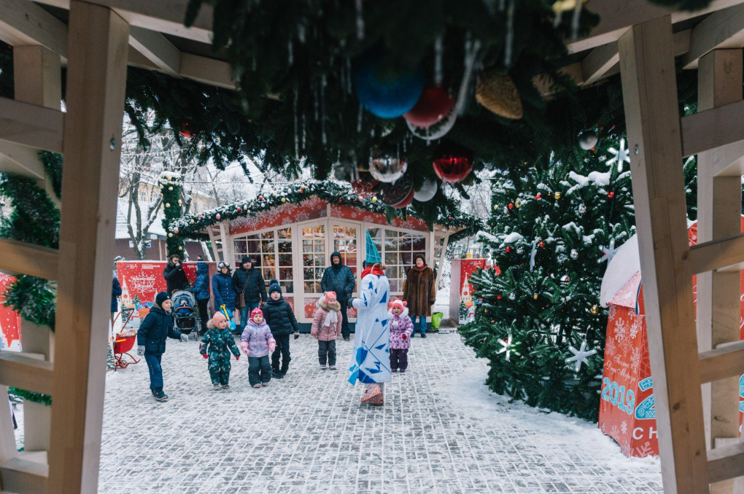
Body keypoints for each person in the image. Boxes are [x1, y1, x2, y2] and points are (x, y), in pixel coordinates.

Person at [348, 232, 390, 406]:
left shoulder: (368, 279)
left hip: (370, 322)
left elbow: (365, 302)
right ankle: (379, 394)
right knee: (379, 354)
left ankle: (372, 390)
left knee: (367, 353)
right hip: (382, 321)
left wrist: (351, 301)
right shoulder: (384, 278)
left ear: (367, 264)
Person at [137, 292, 188, 402]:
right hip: (149, 349)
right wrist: (141, 345)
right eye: (166, 303)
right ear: (160, 303)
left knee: (155, 369)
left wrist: (180, 335)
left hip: (159, 349)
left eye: (170, 303)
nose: (169, 305)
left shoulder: (167, 316)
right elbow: (142, 331)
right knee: (156, 369)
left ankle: (154, 388)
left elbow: (169, 332)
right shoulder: (152, 316)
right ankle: (158, 391)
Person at [263, 279, 300, 379]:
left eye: (277, 292)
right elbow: (265, 322)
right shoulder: (267, 307)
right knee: (276, 353)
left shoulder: (286, 305)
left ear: (280, 294)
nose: (275, 294)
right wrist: (265, 335)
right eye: (273, 293)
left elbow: (292, 317)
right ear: (270, 294)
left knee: (286, 353)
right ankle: (275, 370)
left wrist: (296, 330)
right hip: (274, 334)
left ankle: (284, 368)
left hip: (285, 333)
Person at [199, 311, 240, 389]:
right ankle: (216, 382)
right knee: (214, 367)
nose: (224, 323)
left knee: (226, 367)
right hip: (214, 352)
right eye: (221, 322)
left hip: (224, 352)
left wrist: (236, 353)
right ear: (215, 323)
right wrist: (203, 351)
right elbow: (204, 342)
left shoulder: (227, 333)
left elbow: (232, 344)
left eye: (225, 321)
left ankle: (224, 382)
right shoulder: (210, 332)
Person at [320, 251, 355, 341]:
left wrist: (346, 290)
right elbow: (323, 282)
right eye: (334, 258)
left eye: (337, 258)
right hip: (330, 298)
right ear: (332, 260)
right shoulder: (328, 270)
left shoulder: (346, 269)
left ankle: (346, 334)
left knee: (343, 316)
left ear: (340, 259)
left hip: (342, 297)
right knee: (328, 316)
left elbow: (351, 281)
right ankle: (329, 334)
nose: (336, 259)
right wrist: (326, 292)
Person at [240, 307, 276, 388]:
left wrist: (272, 344)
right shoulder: (248, 328)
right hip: (252, 352)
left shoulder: (266, 327)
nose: (258, 318)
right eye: (256, 316)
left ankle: (265, 379)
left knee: (266, 366)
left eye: (260, 316)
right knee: (254, 367)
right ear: (252, 318)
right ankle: (255, 381)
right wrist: (244, 347)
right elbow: (244, 339)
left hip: (264, 351)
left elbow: (269, 336)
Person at [402, 253, 436, 338]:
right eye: (417, 261)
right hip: (412, 298)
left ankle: (423, 332)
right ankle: (412, 331)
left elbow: (432, 285)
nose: (418, 262)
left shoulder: (429, 271)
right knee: (412, 315)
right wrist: (405, 298)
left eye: (420, 260)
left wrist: (432, 297)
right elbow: (407, 286)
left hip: (424, 298)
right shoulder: (411, 271)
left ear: (423, 261)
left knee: (423, 315)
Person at [232, 256, 267, 329]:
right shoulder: (237, 273)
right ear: (242, 264)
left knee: (255, 318)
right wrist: (239, 291)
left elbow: (262, 286)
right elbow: (233, 284)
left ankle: (254, 333)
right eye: (245, 263)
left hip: (255, 299)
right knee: (243, 318)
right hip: (243, 300)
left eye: (248, 262)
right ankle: (243, 334)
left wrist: (264, 298)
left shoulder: (257, 273)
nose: (247, 264)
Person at [310, 291, 342, 370]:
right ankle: (322, 363)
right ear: (326, 301)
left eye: (333, 300)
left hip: (332, 334)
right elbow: (316, 321)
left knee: (332, 350)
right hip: (322, 334)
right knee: (322, 350)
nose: (332, 302)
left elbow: (339, 322)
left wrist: (338, 332)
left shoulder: (337, 311)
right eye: (330, 301)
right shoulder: (321, 310)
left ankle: (332, 363)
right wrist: (314, 331)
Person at [388, 299, 413, 373]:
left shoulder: (405, 318)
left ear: (401, 309)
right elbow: (386, 327)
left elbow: (410, 327)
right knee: (392, 355)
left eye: (398, 308)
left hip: (402, 339)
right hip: (392, 339)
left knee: (402, 355)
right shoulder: (390, 318)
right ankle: (393, 366)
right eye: (394, 308)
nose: (396, 310)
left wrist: (406, 334)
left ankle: (402, 366)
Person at [193, 261, 210, 335]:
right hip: (203, 296)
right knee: (203, 314)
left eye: (198, 267)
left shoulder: (201, 276)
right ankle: (204, 328)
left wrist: (190, 289)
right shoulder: (203, 275)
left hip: (201, 297)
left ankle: (204, 329)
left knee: (203, 314)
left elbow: (198, 288)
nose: (196, 268)